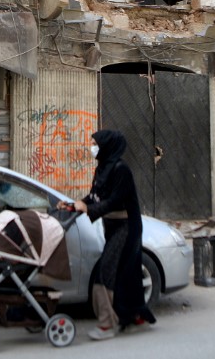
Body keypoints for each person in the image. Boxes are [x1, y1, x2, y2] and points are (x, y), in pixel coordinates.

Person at [61, 129, 156, 340]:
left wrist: (88, 209)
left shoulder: (121, 170)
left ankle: (107, 324)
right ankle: (134, 318)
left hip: (126, 228)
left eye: (95, 144)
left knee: (106, 270)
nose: (92, 147)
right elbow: (95, 195)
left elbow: (114, 201)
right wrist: (74, 205)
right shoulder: (102, 168)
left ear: (107, 146)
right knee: (125, 274)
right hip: (112, 226)